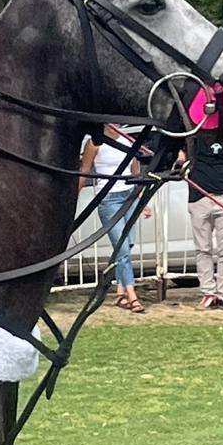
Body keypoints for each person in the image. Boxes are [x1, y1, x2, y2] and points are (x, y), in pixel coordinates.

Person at [79, 126, 150, 313]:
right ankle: (132, 295)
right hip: (108, 199)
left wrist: (142, 200)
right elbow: (85, 170)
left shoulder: (128, 140)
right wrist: (73, 196)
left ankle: (120, 291)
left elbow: (135, 172)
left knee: (128, 244)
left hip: (129, 195)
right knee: (122, 248)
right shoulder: (94, 142)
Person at [183, 131, 223, 310]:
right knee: (203, 248)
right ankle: (208, 293)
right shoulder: (192, 139)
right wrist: (181, 160)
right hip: (199, 199)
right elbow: (182, 159)